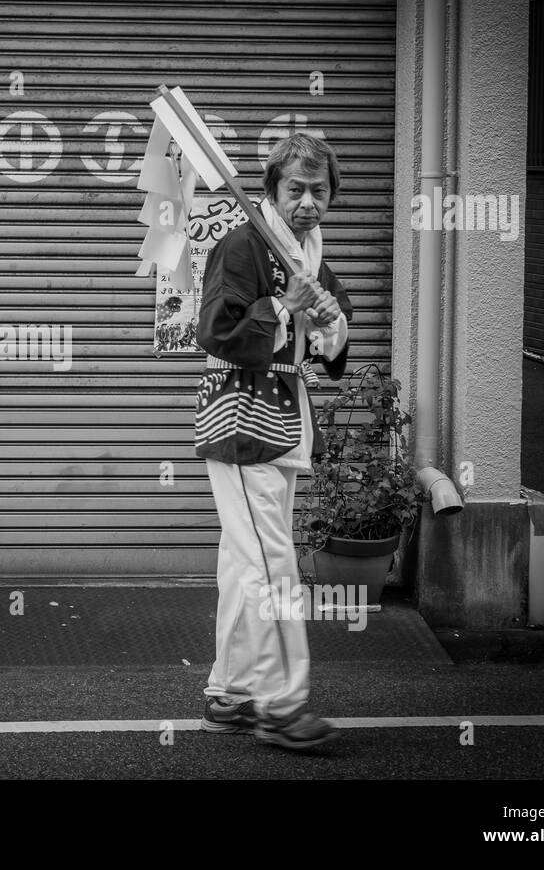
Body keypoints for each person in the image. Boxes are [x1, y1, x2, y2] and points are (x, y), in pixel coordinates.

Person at [194, 133, 352, 752]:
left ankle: (231, 689)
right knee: (270, 564)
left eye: (320, 189)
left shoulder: (310, 255)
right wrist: (282, 305)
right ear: (273, 191)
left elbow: (331, 346)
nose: (309, 201)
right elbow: (216, 330)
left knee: (244, 562)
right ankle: (282, 703)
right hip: (241, 418)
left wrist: (327, 325)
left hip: (285, 420)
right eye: (296, 189)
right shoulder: (243, 245)